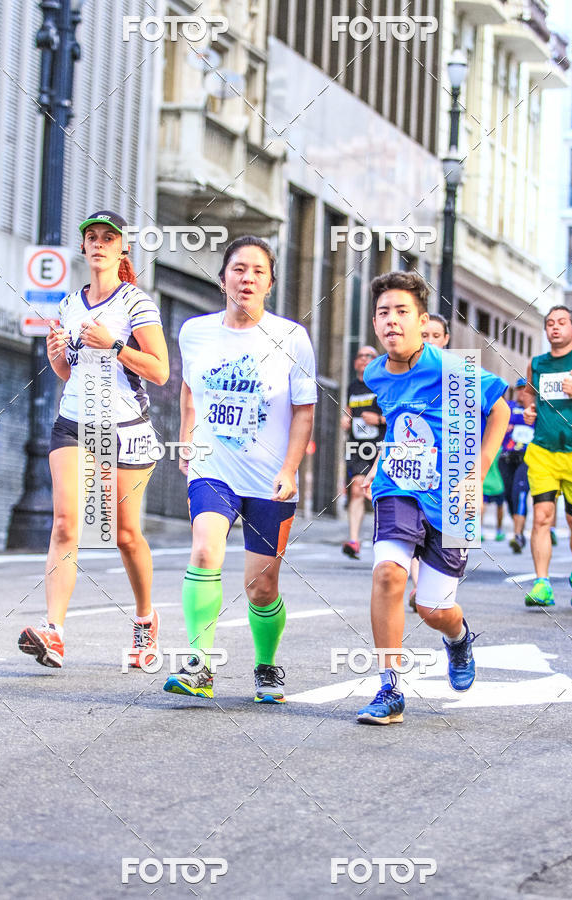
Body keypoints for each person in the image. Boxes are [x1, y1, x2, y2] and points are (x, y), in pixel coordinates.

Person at [163, 235, 317, 703]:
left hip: (270, 480)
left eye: (257, 271)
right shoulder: (195, 332)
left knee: (260, 586)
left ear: (270, 282)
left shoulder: (292, 338)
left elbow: (305, 411)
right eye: (238, 269)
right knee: (206, 550)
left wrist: (290, 469)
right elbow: (190, 390)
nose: (247, 278)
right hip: (214, 467)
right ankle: (199, 665)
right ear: (223, 276)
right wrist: (188, 439)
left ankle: (267, 667)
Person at [355, 271, 509, 725]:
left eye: (402, 312)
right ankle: (389, 688)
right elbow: (399, 419)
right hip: (398, 485)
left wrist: (479, 470)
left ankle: (458, 639)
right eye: (384, 313)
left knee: (433, 608)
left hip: (454, 495)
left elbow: (499, 409)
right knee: (388, 574)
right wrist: (380, 461)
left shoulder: (450, 366)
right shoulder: (374, 372)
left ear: (422, 322)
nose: (391, 321)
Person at [18, 210, 169, 668]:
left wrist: (116, 346)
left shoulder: (136, 304)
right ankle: (54, 632)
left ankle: (145, 620)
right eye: (92, 237)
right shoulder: (68, 304)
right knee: (66, 523)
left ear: (122, 249)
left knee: (125, 535)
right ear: (83, 247)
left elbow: (160, 370)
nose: (99, 244)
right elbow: (69, 373)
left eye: (109, 238)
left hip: (125, 429)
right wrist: (57, 357)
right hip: (75, 423)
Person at [521, 305, 572, 608]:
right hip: (543, 450)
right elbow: (527, 393)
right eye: (550, 323)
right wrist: (529, 408)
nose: (554, 327)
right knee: (542, 517)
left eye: (561, 323)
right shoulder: (538, 363)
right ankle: (541, 583)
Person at [408, 313, 452, 609]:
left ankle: (432, 587)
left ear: (446, 339)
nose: (431, 341)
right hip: (410, 465)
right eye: (425, 336)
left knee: (440, 539)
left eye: (436, 336)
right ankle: (416, 585)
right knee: (406, 529)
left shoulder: (459, 374)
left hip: (449, 468)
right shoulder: (402, 372)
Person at [341, 346, 386, 559]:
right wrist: (346, 419)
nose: (365, 359)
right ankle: (353, 540)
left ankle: (386, 540)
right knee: (357, 489)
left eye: (370, 356)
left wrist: (378, 420)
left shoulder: (383, 385)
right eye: (361, 356)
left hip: (380, 445)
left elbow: (399, 415)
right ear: (355, 362)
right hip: (358, 445)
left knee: (379, 493)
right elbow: (349, 410)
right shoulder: (352, 387)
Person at [499, 378, 533, 553]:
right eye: (519, 389)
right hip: (506, 458)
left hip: (526, 460)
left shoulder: (537, 411)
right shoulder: (509, 408)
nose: (522, 392)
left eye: (525, 389)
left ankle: (517, 535)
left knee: (519, 493)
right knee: (509, 496)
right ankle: (518, 527)